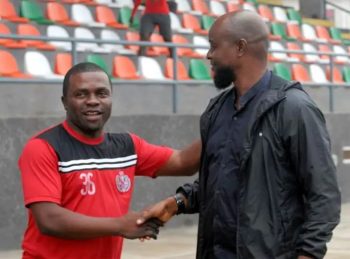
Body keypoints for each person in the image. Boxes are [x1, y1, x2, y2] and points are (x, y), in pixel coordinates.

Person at [137, 11, 341, 259]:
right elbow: (221, 182)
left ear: (240, 47)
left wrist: (308, 254)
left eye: (213, 46)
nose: (208, 55)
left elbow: (324, 196)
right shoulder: (216, 110)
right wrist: (177, 202)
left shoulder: (294, 109)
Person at [18, 62, 201, 259]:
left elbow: (184, 162)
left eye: (102, 93)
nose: (93, 101)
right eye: (81, 94)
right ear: (64, 102)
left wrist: (219, 125)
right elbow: (49, 220)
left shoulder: (127, 146)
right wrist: (121, 225)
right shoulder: (43, 147)